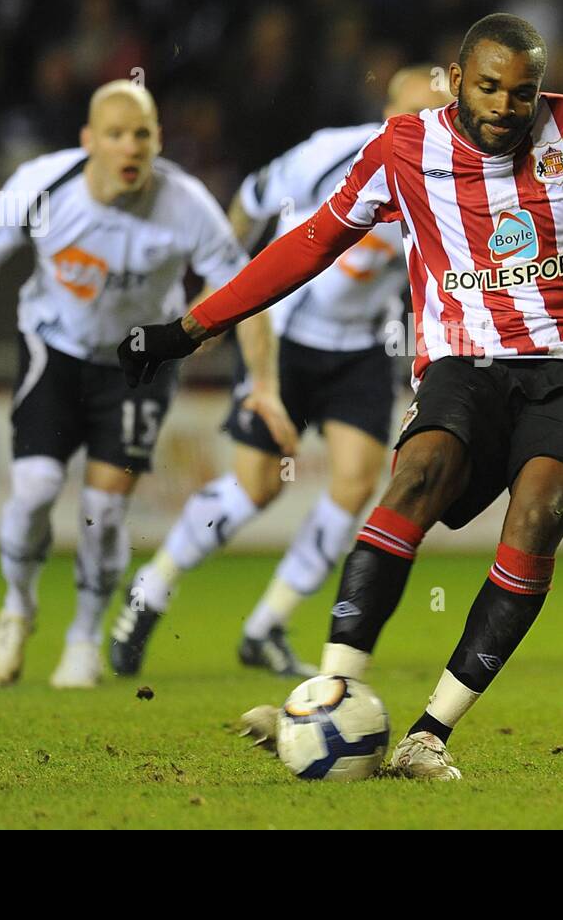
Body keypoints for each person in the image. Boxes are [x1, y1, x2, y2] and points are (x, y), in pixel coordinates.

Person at [118, 13, 563, 777]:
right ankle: (333, 692)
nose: (507, 106)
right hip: (465, 363)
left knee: (538, 509)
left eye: (524, 92)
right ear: (458, 77)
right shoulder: (406, 149)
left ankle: (428, 733)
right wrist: (188, 327)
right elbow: (307, 245)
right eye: (491, 87)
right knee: (416, 474)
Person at [0, 80, 295, 688]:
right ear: (89, 141)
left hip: (137, 365)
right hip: (53, 348)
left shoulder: (186, 203)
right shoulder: (40, 186)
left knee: (103, 514)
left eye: (143, 134)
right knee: (35, 489)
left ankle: (82, 640)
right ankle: (17, 607)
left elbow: (244, 291)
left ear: (158, 141)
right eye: (116, 134)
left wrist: (261, 382)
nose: (130, 147)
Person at [108, 66, 453, 678]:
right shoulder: (328, 155)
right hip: (285, 337)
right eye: (414, 111)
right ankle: (152, 587)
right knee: (256, 487)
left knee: (355, 484)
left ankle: (267, 625)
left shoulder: (450, 176)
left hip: (361, 349)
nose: (425, 124)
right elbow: (251, 201)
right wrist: (220, 298)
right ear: (388, 110)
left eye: (436, 112)